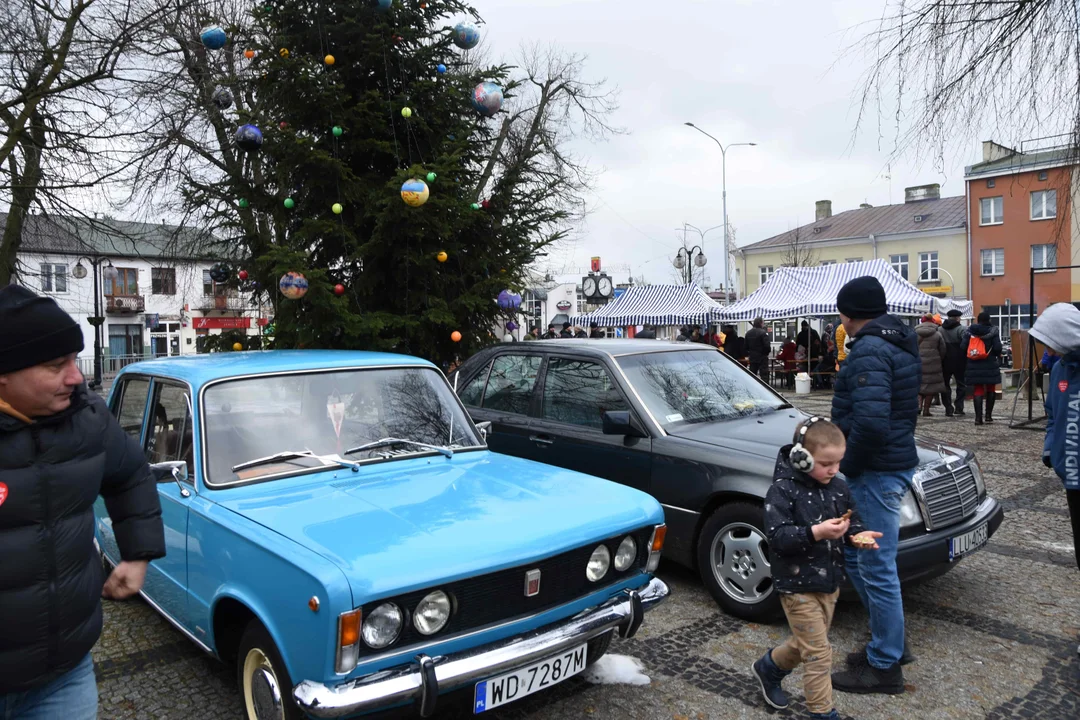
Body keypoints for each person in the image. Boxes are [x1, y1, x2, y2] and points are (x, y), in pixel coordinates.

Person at [0, 286, 166, 718]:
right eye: (57, 365)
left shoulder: (87, 416)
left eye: (75, 360)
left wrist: (138, 554)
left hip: (64, 671)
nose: (76, 377)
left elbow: (131, 473)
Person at [753, 418, 882, 720]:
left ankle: (768, 668)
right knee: (819, 654)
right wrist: (816, 532)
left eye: (838, 462)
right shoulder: (782, 491)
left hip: (830, 583)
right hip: (796, 586)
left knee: (805, 644)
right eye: (826, 463)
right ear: (802, 457)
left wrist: (858, 536)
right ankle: (822, 714)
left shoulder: (838, 487)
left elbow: (855, 521)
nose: (834, 469)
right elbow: (777, 538)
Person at [829, 275, 920, 695]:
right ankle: (889, 645)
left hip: (875, 470)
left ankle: (885, 664)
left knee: (874, 565)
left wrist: (848, 464)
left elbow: (869, 422)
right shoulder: (900, 340)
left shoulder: (868, 350)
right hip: (889, 464)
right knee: (862, 559)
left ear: (850, 315)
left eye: (840, 315)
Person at [1030, 303, 1080, 578]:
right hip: (1070, 473)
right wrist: (1050, 448)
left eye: (1051, 343)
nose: (1047, 352)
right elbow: (1052, 413)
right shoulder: (1059, 369)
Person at [961, 311, 1003, 425]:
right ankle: (988, 416)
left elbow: (963, 346)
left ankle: (978, 418)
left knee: (978, 389)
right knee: (991, 389)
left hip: (974, 363)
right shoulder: (993, 331)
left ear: (978, 320)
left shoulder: (969, 331)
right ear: (989, 320)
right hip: (990, 363)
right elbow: (998, 348)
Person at [915, 314, 948, 417]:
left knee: (919, 385)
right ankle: (926, 410)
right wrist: (939, 358)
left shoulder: (915, 333)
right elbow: (943, 349)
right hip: (933, 363)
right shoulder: (937, 334)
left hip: (918, 362)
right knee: (931, 388)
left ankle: (918, 406)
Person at [940, 309, 967, 416]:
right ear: (957, 318)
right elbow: (966, 343)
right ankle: (959, 407)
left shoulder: (940, 329)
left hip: (945, 360)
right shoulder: (961, 329)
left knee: (945, 384)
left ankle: (948, 407)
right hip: (960, 360)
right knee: (961, 384)